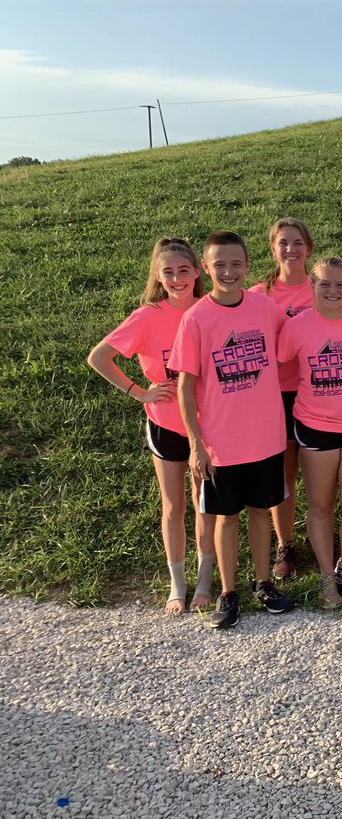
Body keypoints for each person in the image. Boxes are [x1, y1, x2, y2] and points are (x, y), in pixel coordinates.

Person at [170, 231, 295, 629]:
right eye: (219, 265)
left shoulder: (265, 308)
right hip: (221, 444)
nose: (228, 271)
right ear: (206, 269)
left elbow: (297, 336)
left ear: (247, 266)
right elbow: (185, 387)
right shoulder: (196, 319)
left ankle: (262, 584)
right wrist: (196, 444)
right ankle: (228, 591)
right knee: (226, 518)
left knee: (261, 512)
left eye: (236, 264)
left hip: (266, 436)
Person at [88, 238, 216, 615]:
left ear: (197, 272)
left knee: (204, 503)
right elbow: (99, 357)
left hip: (209, 426)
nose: (177, 279)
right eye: (168, 272)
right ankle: (178, 584)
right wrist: (138, 392)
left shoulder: (209, 310)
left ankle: (205, 580)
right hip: (166, 424)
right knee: (174, 506)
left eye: (183, 271)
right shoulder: (146, 316)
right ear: (158, 277)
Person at [276, 257, 342, 608]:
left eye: (340, 285)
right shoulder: (297, 326)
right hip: (314, 425)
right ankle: (325, 575)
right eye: (324, 283)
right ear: (312, 286)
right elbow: (276, 365)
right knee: (320, 506)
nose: (332, 290)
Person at [250, 217, 314, 580]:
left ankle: (325, 536)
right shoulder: (258, 295)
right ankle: (285, 544)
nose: (290, 249)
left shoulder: (321, 288)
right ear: (273, 248)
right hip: (275, 395)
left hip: (318, 391)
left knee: (323, 474)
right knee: (285, 473)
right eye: (283, 243)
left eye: (297, 243)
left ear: (309, 248)